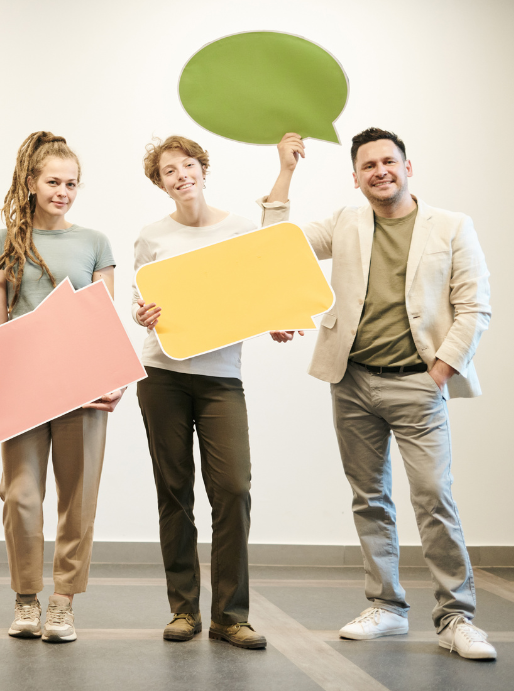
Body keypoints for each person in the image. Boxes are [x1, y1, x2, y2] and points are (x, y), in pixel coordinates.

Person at [269, 127, 495, 660]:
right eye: (368, 166)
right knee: (369, 499)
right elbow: (276, 249)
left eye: (388, 162)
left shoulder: (452, 226)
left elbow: (474, 307)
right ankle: (387, 607)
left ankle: (457, 617)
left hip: (418, 381)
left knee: (433, 498)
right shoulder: (347, 223)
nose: (380, 172)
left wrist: (438, 371)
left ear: (408, 166)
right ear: (355, 177)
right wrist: (286, 171)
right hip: (352, 383)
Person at [130, 134, 300, 650]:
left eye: (188, 165)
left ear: (203, 169)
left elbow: (264, 283)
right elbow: (142, 303)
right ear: (160, 183)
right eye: (168, 170)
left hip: (221, 378)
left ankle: (230, 615)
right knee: (174, 493)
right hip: (162, 375)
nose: (181, 174)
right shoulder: (151, 237)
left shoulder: (239, 230)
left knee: (233, 490)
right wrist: (143, 314)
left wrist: (275, 318)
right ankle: (184, 609)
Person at [0, 131, 118, 644]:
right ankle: (26, 599)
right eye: (53, 181)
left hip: (83, 387)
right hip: (21, 386)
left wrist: (114, 377)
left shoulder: (95, 242)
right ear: (31, 183)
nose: (63, 191)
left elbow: (104, 318)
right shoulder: (2, 241)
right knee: (21, 496)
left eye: (71, 183)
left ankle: (63, 603)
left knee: (79, 497)